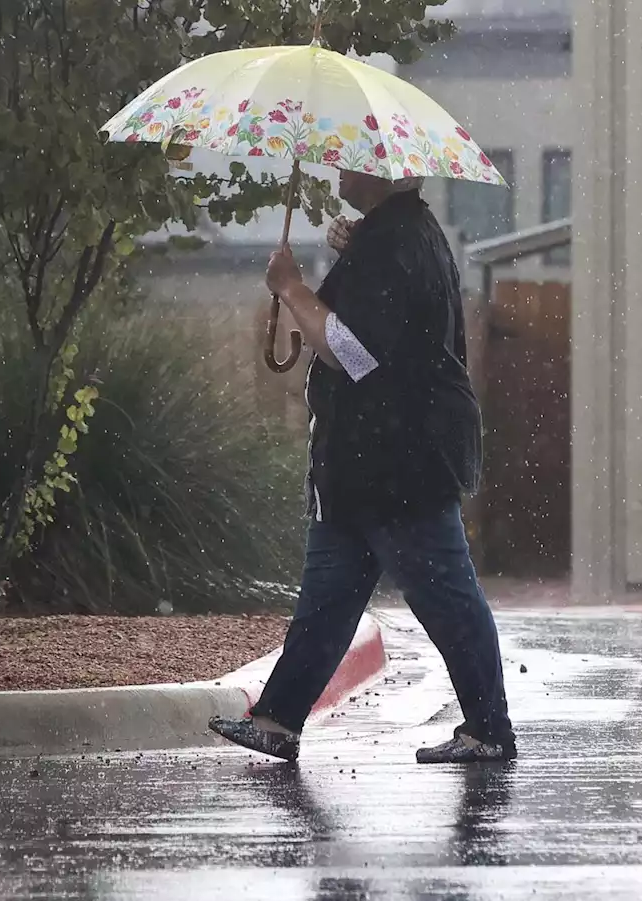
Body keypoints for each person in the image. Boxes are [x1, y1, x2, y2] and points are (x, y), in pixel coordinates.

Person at [208, 170, 516, 765]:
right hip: (363, 465)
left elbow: (353, 353)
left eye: (355, 161)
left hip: (398, 464)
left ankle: (488, 728)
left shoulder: (392, 246)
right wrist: (356, 250)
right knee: (328, 597)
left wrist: (293, 288)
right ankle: (277, 721)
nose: (342, 169)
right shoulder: (399, 236)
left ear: (384, 176)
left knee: (447, 596)